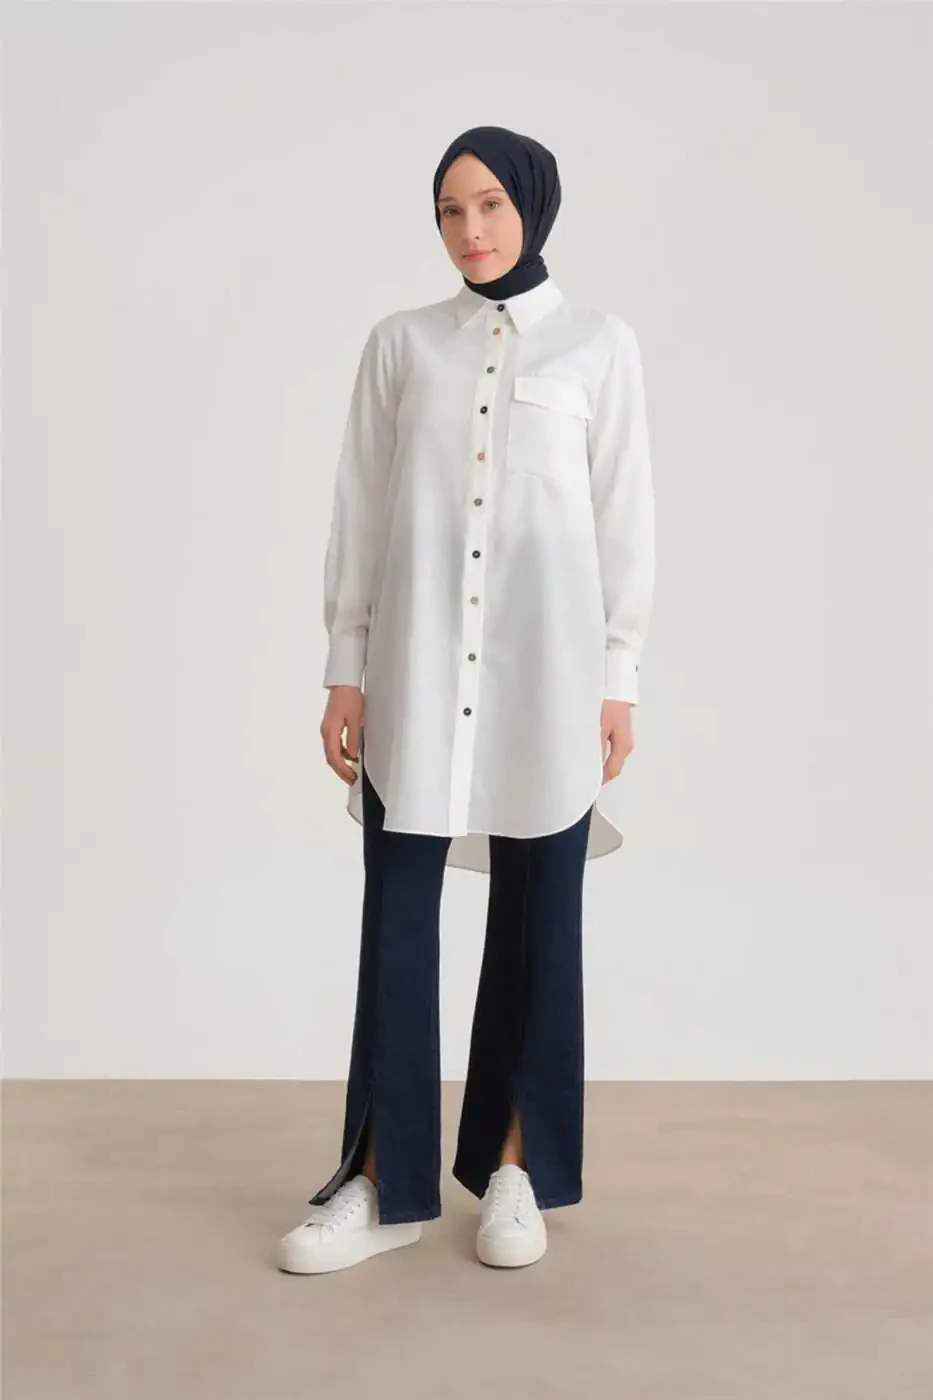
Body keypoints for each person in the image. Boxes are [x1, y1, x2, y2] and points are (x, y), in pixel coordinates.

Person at [277, 125, 655, 1275]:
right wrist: (345, 663)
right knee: (396, 920)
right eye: (450, 210)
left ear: (533, 205)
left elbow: (625, 520)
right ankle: (379, 1180)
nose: (471, 229)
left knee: (540, 921)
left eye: (489, 204)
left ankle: (514, 1167)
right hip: (416, 671)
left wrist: (619, 675)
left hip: (550, 677)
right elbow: (360, 508)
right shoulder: (403, 346)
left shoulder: (599, 347)